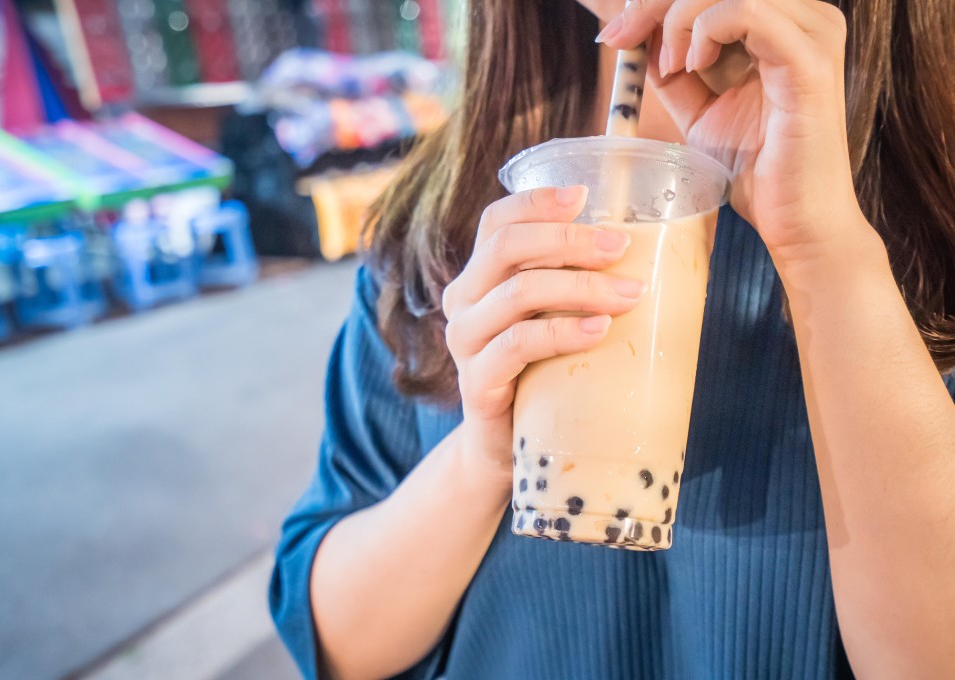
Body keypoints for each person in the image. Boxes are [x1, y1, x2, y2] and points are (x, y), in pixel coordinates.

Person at [271, 0, 955, 678]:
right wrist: (484, 458)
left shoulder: (930, 211)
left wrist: (825, 254)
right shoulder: (439, 224)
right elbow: (336, 643)